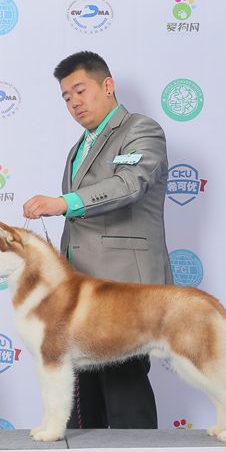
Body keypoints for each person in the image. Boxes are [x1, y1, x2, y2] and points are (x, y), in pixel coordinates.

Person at [22, 50, 171, 431]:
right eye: (66, 97)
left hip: (125, 289)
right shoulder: (78, 147)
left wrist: (64, 202)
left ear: (107, 85)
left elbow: (130, 184)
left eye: (80, 90)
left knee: (125, 388)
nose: (74, 102)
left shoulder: (142, 129)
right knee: (82, 397)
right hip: (80, 293)